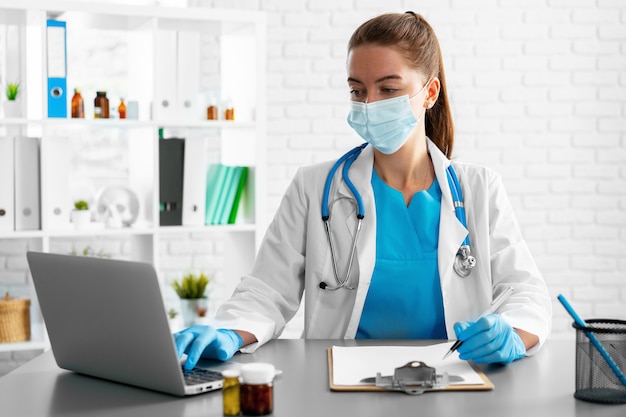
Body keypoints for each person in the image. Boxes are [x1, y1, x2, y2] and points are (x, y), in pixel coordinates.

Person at [174, 11, 552, 371]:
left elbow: (526, 292)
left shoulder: (479, 190)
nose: (370, 105)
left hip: (451, 381)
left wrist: (513, 333)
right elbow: (266, 291)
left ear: (430, 92)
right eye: (358, 90)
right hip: (341, 383)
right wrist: (227, 330)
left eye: (388, 88)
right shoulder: (314, 188)